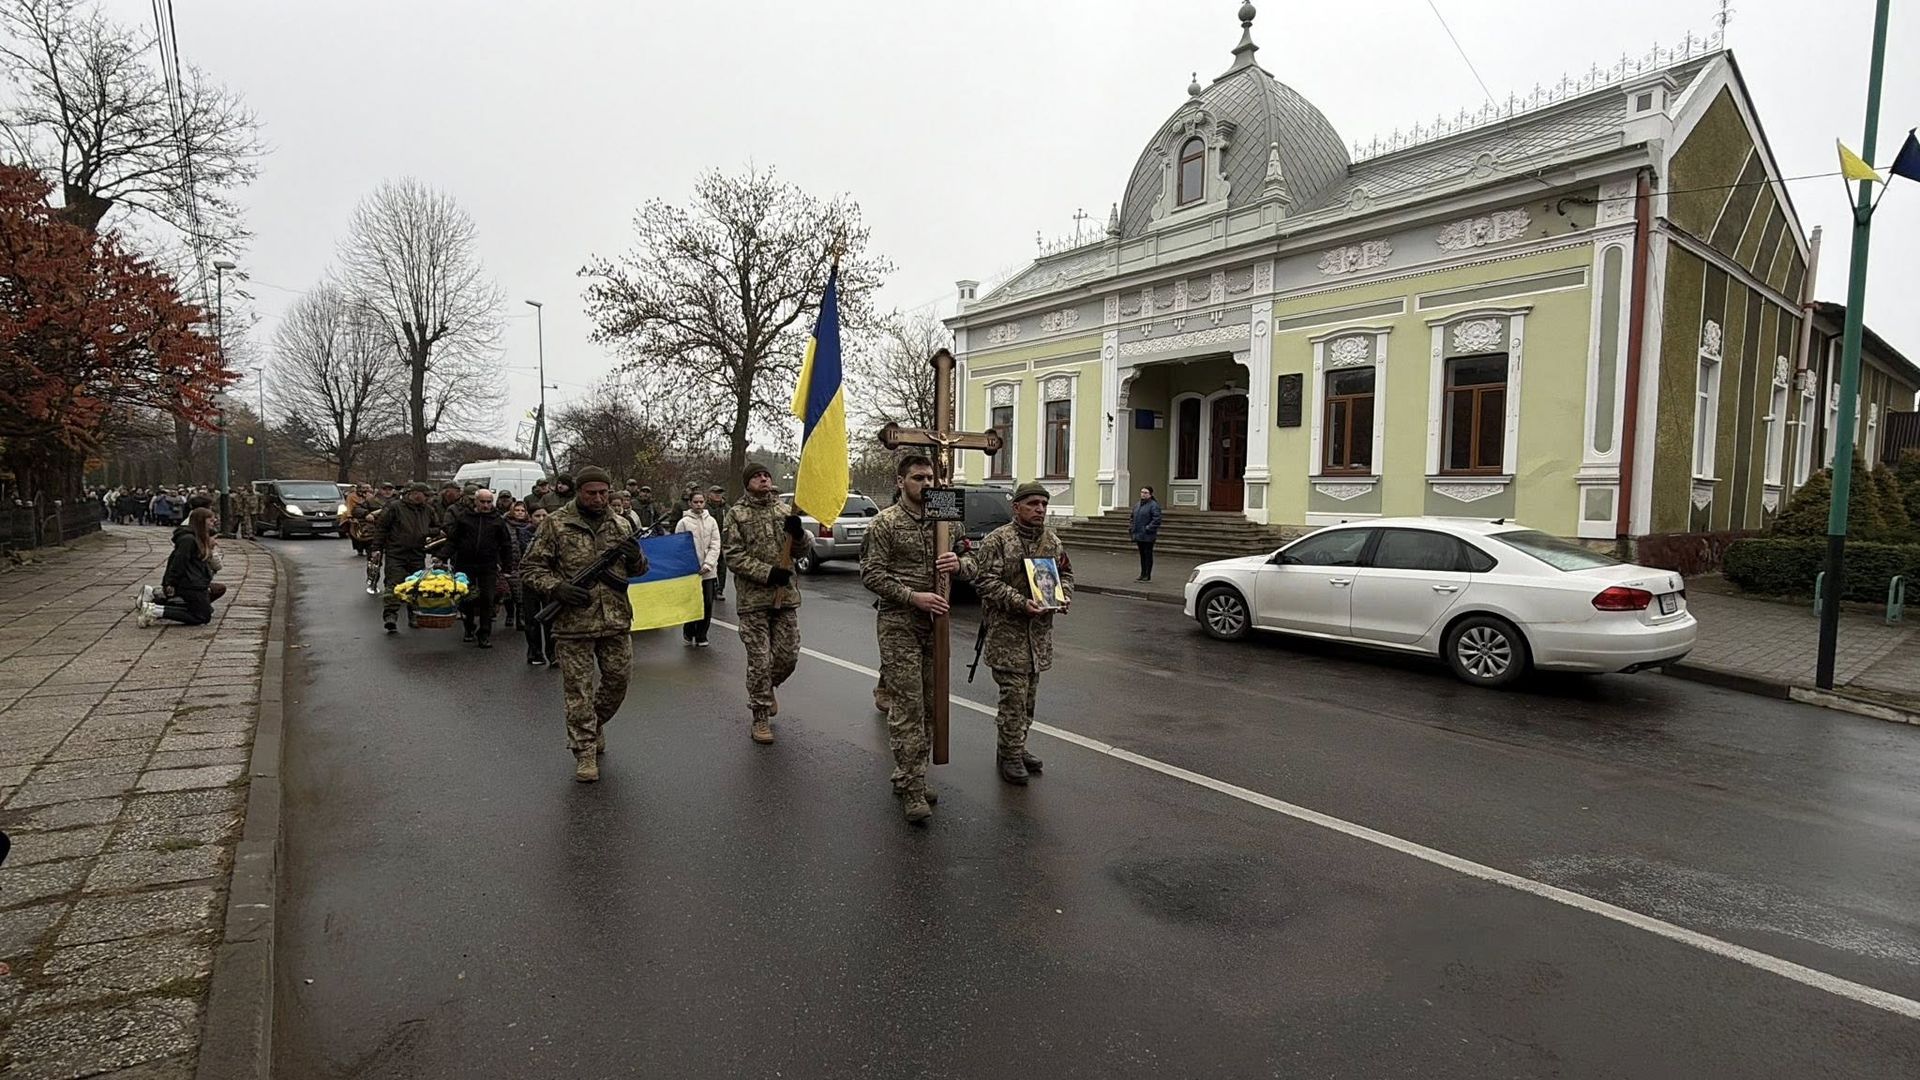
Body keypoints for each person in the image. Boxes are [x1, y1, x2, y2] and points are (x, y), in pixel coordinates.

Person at [520, 466, 647, 782]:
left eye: (604, 493)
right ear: (579, 492)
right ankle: (585, 751)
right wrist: (557, 588)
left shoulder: (621, 524)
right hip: (573, 623)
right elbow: (530, 569)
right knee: (578, 691)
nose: (599, 498)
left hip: (615, 619)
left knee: (618, 681)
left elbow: (639, 571)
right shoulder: (556, 524)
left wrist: (635, 557)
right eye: (592, 493)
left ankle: (594, 723)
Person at [860, 455, 962, 823]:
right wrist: (912, 596)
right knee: (908, 706)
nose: (927, 483)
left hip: (937, 623)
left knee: (933, 704)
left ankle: (912, 774)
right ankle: (912, 786)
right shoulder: (885, 523)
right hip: (899, 623)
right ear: (901, 481)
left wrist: (960, 564)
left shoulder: (946, 517)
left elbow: (971, 559)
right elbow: (871, 574)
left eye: (930, 477)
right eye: (918, 477)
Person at [956, 482, 1070, 786]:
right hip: (1008, 637)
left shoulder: (1051, 541)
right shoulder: (998, 540)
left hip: (1038, 638)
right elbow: (984, 581)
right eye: (1032, 504)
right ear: (1016, 507)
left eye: (1043, 504)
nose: (1040, 509)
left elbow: (1065, 574)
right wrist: (1020, 602)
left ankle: (1016, 746)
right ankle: (1009, 755)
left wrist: (1062, 596)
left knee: (1028, 700)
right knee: (1013, 700)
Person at [723, 463, 804, 745]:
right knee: (760, 661)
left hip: (785, 598)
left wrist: (799, 535)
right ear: (747, 483)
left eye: (766, 475)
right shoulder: (736, 514)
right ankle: (760, 715)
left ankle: (768, 688)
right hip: (753, 601)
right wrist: (767, 573)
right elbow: (733, 556)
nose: (763, 478)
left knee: (788, 656)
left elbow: (801, 550)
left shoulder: (784, 510)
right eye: (757, 476)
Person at [446, 488, 515, 648]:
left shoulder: (497, 521)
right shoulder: (464, 518)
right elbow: (453, 540)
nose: (486, 505)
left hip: (488, 565)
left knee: (487, 599)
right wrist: (442, 556)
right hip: (465, 564)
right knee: (466, 597)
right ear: (475, 502)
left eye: (489, 502)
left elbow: (506, 544)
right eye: (482, 502)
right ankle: (469, 627)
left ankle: (484, 633)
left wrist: (507, 567)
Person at [371, 482, 441, 634]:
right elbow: (382, 529)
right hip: (396, 553)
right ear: (414, 494)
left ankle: (414, 615)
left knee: (416, 586)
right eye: (425, 495)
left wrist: (426, 532)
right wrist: (376, 549)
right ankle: (390, 615)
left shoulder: (428, 510)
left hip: (417, 553)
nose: (427, 498)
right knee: (394, 584)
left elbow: (437, 527)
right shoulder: (395, 507)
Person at [136, 507, 219, 628]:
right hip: (190, 583)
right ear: (201, 521)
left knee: (204, 612)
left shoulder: (197, 538)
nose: (213, 523)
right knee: (202, 616)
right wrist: (170, 582)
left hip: (196, 582)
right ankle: (154, 610)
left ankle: (156, 608)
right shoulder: (189, 540)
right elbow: (178, 562)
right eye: (210, 521)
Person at [675, 491, 721, 646]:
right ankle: (689, 631)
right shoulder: (683, 523)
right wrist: (688, 566)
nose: (699, 505)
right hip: (690, 571)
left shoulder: (711, 521)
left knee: (707, 603)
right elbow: (679, 546)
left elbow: (715, 544)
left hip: (708, 572)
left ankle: (702, 634)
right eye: (695, 502)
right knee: (691, 602)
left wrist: (708, 564)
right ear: (690, 503)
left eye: (701, 502)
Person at [517, 505, 556, 665]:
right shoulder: (524, 533)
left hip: (550, 580)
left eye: (544, 516)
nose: (541, 519)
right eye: (537, 516)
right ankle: (535, 652)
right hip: (530, 581)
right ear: (530, 517)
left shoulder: (554, 533)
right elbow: (532, 553)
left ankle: (553, 654)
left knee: (550, 617)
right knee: (532, 619)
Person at [1131, 485, 1162, 583]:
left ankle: (1147, 575)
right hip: (1139, 534)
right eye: (1142, 492)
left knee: (1148, 555)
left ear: (1150, 494)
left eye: (1145, 493)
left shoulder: (1153, 505)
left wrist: (1148, 528)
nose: (1143, 494)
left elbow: (1157, 519)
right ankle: (1142, 573)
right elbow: (1132, 517)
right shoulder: (1138, 504)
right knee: (1142, 555)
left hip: (1148, 535)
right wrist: (1132, 527)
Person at [707, 484, 730, 599]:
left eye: (720, 493)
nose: (718, 495)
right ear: (709, 494)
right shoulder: (705, 508)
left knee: (722, 567)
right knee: (710, 566)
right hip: (708, 541)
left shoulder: (727, 509)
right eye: (715, 493)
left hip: (723, 541)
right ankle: (709, 589)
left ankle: (719, 590)